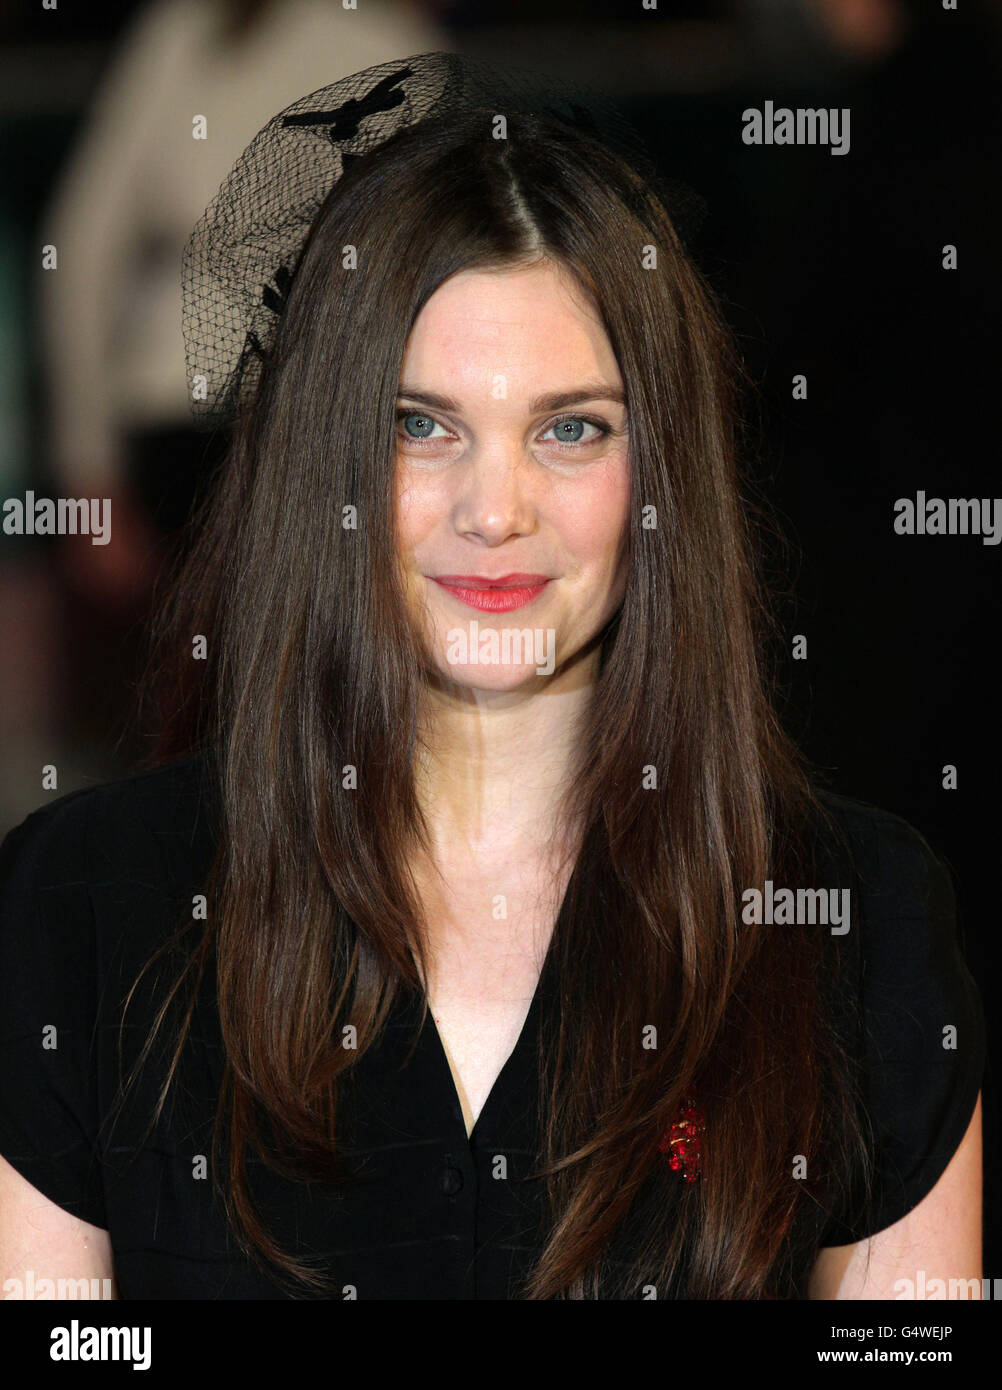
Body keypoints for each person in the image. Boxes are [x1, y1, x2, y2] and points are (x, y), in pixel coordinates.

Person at [0, 53, 984, 1301]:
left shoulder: (859, 930)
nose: (496, 509)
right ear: (327, 463)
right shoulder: (84, 911)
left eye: (571, 428)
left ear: (661, 477)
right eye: (423, 425)